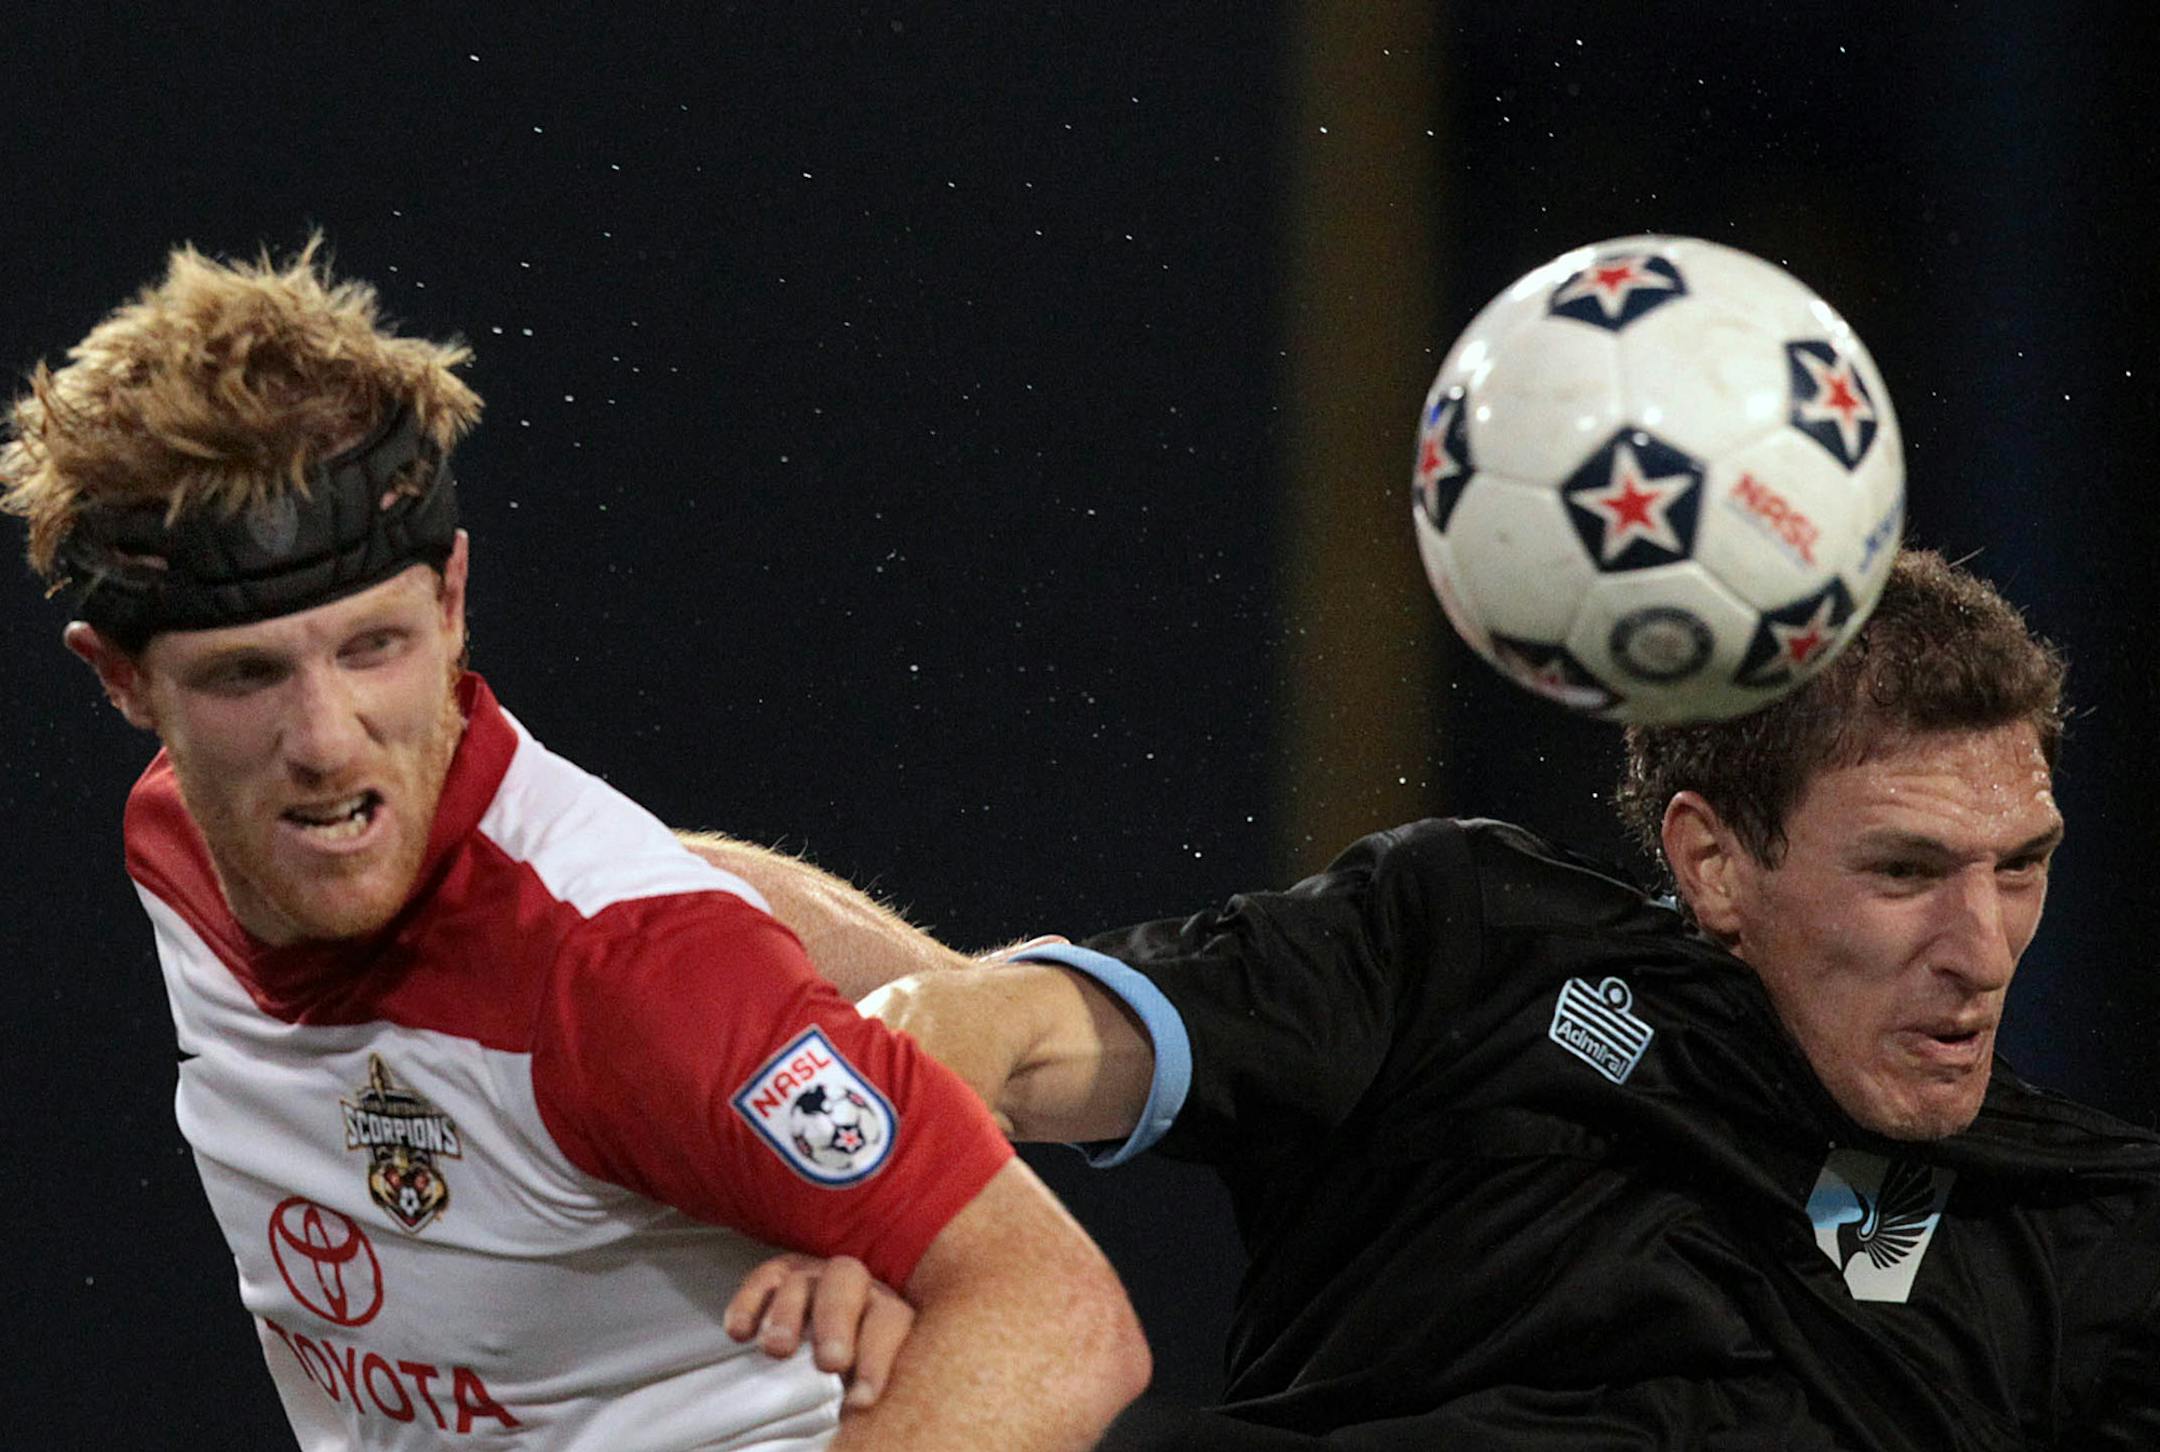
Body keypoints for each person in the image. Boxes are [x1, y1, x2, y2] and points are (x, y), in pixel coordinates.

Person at [1, 240, 1148, 1450]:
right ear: (123, 680)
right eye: (248, 676)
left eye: (373, 648)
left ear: (451, 600)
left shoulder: (626, 977)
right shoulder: (181, 838)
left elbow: (1057, 1319)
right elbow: (630, 888)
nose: (328, 740)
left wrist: (939, 1027)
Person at [725, 550, 2160, 1449]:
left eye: (2023, 868)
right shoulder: (1470, 951)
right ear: (1713, 863)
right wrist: (868, 1192)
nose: (1984, 945)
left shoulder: (2088, 1240)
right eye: (1907, 871)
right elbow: (1004, 1030)